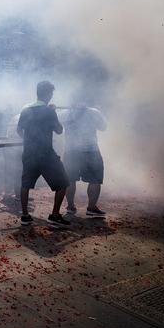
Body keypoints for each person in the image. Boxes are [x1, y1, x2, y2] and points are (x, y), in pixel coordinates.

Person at [16, 81, 70, 227]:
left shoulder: (26, 110)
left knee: (25, 184)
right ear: (48, 94)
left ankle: (25, 216)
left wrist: (28, 141)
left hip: (28, 153)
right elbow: (59, 130)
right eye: (51, 93)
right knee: (63, 182)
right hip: (45, 154)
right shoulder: (49, 111)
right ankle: (55, 215)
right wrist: (54, 113)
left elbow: (19, 130)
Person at [62, 104, 108, 217]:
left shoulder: (64, 113)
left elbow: (57, 128)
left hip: (71, 151)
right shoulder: (94, 112)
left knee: (70, 179)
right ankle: (91, 208)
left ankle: (70, 207)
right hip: (90, 150)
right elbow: (103, 127)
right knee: (95, 180)